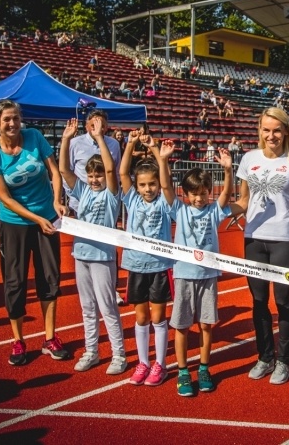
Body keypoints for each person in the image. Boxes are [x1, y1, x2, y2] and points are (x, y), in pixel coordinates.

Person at [0, 100, 70, 366]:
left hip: (47, 219)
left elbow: (54, 171)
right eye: (7, 119)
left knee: (50, 278)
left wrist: (56, 201)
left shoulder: (34, 137)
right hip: (15, 224)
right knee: (15, 281)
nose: (12, 124)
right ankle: (18, 340)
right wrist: (37, 218)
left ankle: (50, 338)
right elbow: (5, 199)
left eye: (16, 119)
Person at [233, 107, 289, 385]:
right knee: (258, 303)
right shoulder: (248, 159)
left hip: (282, 240)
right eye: (266, 130)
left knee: (283, 302)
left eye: (277, 130)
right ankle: (264, 356)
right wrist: (216, 209)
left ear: (285, 131)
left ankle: (284, 360)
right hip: (253, 239)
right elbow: (243, 202)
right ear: (260, 130)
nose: (271, 135)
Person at [58, 118, 126, 374]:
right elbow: (64, 170)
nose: (95, 179)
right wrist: (65, 140)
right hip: (81, 255)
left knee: (107, 306)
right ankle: (92, 351)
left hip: (103, 257)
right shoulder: (83, 191)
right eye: (91, 175)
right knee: (87, 307)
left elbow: (111, 171)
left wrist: (99, 139)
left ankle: (118, 355)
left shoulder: (111, 193)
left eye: (98, 175)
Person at [170, 146, 234, 397]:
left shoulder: (214, 211)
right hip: (184, 275)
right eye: (194, 194)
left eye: (204, 193)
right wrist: (163, 161)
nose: (199, 198)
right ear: (185, 194)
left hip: (208, 276)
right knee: (182, 326)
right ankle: (183, 371)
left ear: (210, 192)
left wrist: (228, 170)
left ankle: (204, 367)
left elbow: (227, 194)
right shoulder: (180, 210)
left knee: (206, 325)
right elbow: (166, 188)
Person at [119, 129, 175, 386]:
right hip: (136, 265)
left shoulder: (163, 202)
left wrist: (156, 151)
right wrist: (129, 145)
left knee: (158, 317)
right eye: (142, 184)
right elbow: (122, 174)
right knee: (141, 317)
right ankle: (143, 362)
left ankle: (160, 365)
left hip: (159, 266)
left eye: (151, 184)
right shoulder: (132, 199)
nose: (148, 188)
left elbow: (166, 184)